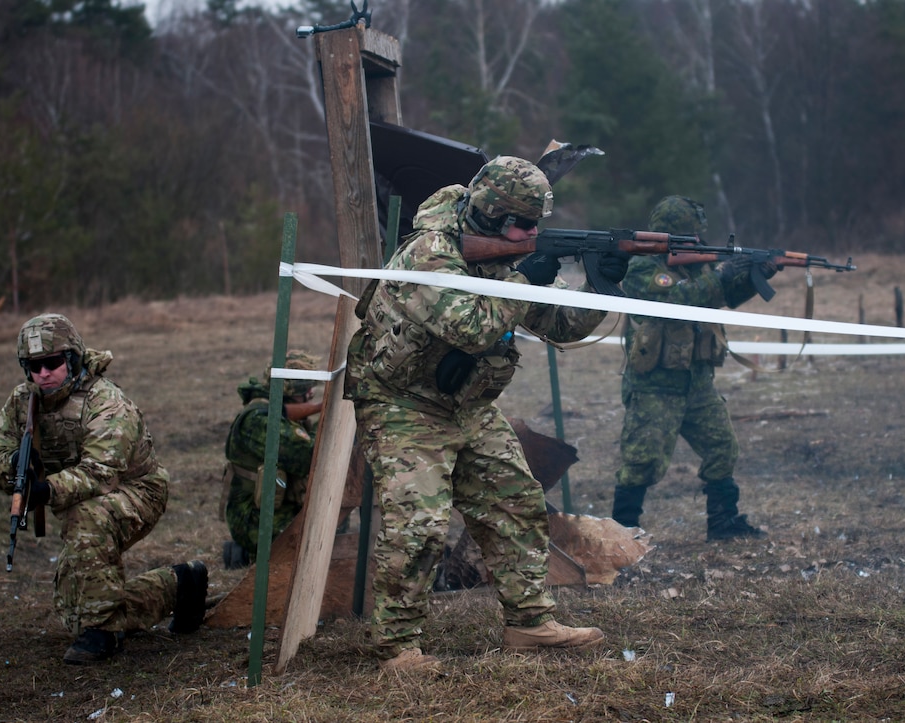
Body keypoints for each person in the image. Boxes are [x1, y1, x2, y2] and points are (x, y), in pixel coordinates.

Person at [344, 155, 629, 671]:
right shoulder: (429, 254)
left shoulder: (505, 258)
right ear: (491, 214)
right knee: (418, 524)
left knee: (515, 500)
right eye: (521, 224)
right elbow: (472, 327)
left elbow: (560, 324)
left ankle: (529, 624)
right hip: (403, 402)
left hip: (468, 405)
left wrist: (600, 290)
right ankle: (397, 647)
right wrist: (523, 278)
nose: (531, 233)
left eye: (536, 225)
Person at [0, 313, 207, 665]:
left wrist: (45, 491)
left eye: (52, 363)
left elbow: (101, 473)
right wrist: (13, 465)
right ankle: (178, 586)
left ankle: (103, 633)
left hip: (137, 491)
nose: (42, 374)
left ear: (71, 358)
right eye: (33, 366)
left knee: (85, 518)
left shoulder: (106, 401)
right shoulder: (22, 402)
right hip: (80, 494)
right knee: (75, 609)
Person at [611, 195, 777, 540]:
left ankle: (723, 522)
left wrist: (752, 276)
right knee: (642, 461)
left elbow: (722, 295)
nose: (700, 241)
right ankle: (622, 533)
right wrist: (719, 273)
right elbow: (677, 299)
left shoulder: (697, 267)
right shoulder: (642, 268)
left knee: (722, 448)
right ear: (670, 237)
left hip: (698, 383)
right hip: (655, 386)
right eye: (691, 236)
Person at [221, 350, 322, 569]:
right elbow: (309, 458)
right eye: (306, 390)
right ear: (291, 391)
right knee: (323, 536)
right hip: (254, 522)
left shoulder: (275, 412)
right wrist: (326, 418)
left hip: (276, 510)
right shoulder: (258, 421)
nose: (311, 394)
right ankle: (248, 551)